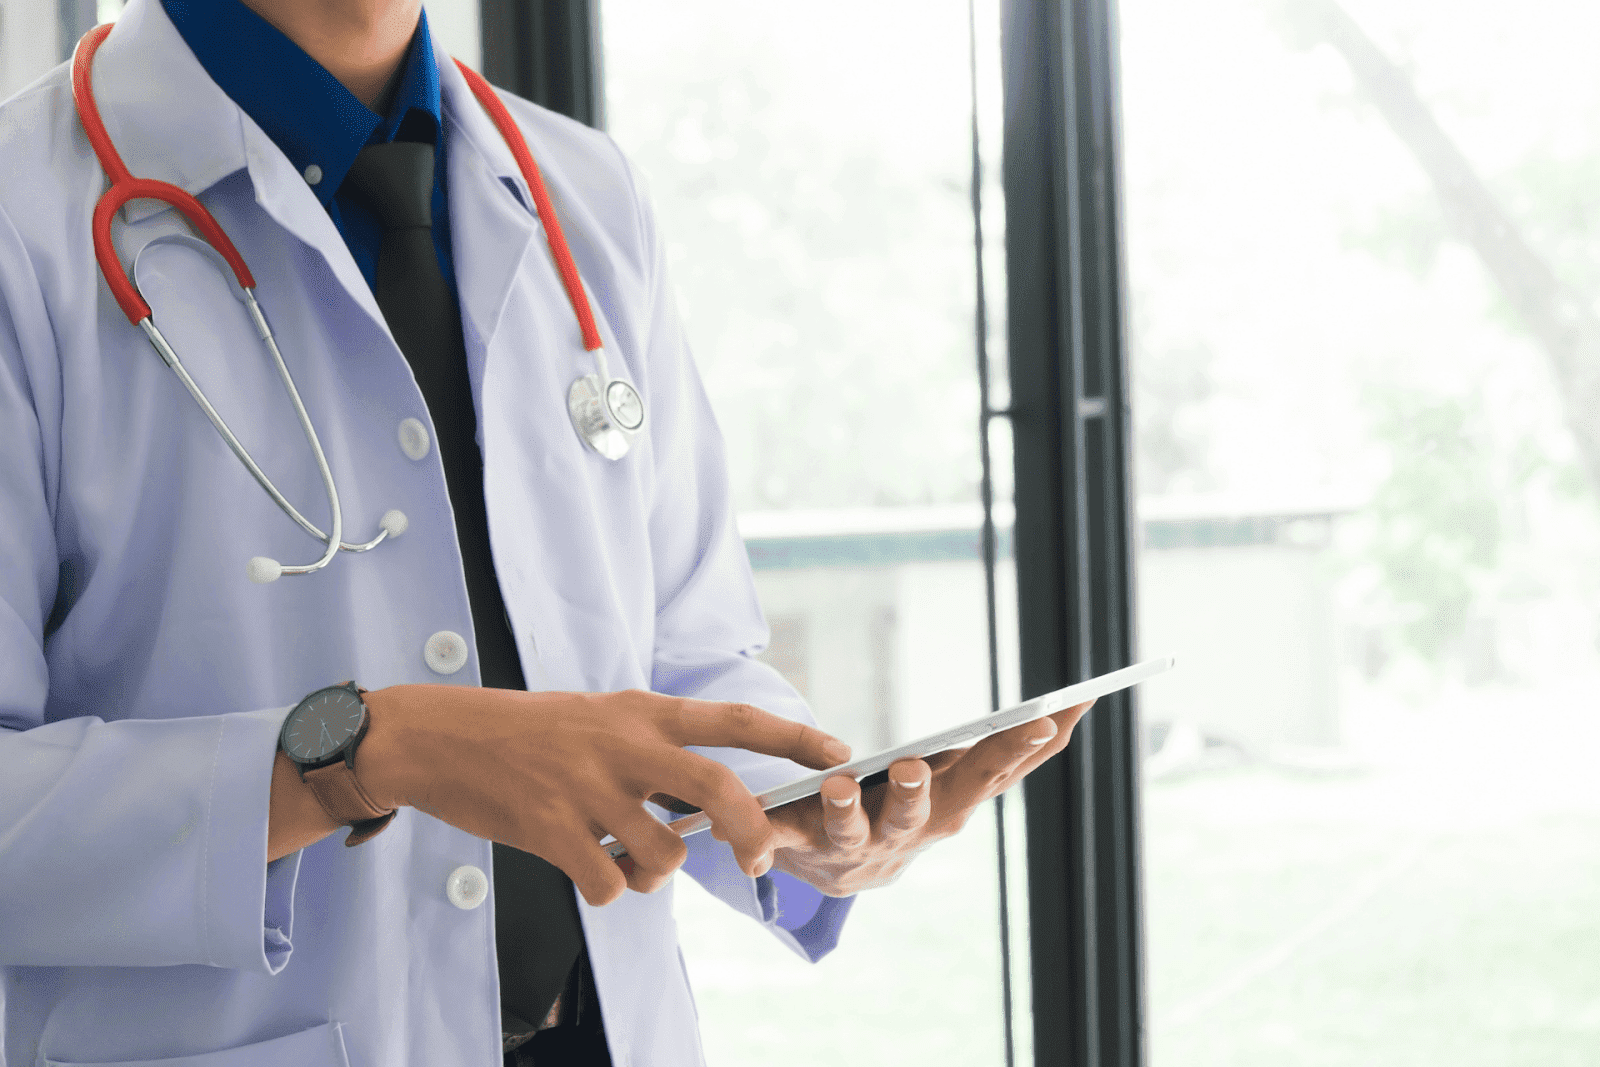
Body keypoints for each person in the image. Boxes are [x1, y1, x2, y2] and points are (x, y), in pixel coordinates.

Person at [0, 1, 1093, 1064]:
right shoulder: (23, 216)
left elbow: (679, 649)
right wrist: (371, 753)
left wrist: (803, 812)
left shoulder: (584, 188)